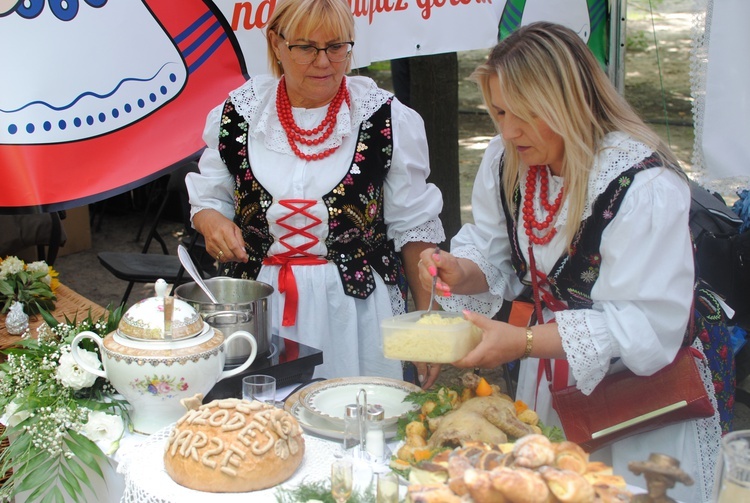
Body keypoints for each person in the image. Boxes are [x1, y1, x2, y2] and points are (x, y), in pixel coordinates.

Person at [417, 22, 731, 502]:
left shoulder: (642, 187)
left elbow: (644, 327)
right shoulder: (510, 160)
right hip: (551, 380)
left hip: (636, 402)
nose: (507, 130)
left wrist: (521, 341)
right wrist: (463, 271)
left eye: (524, 114)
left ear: (569, 104)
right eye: (499, 111)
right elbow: (494, 248)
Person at [186, 0, 445, 386]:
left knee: (355, 422)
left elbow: (416, 232)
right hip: (259, 311)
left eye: (337, 47)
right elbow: (208, 200)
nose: (324, 62)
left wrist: (428, 327)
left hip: (357, 313)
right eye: (306, 47)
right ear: (276, 43)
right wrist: (213, 223)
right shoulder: (240, 114)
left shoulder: (384, 119)